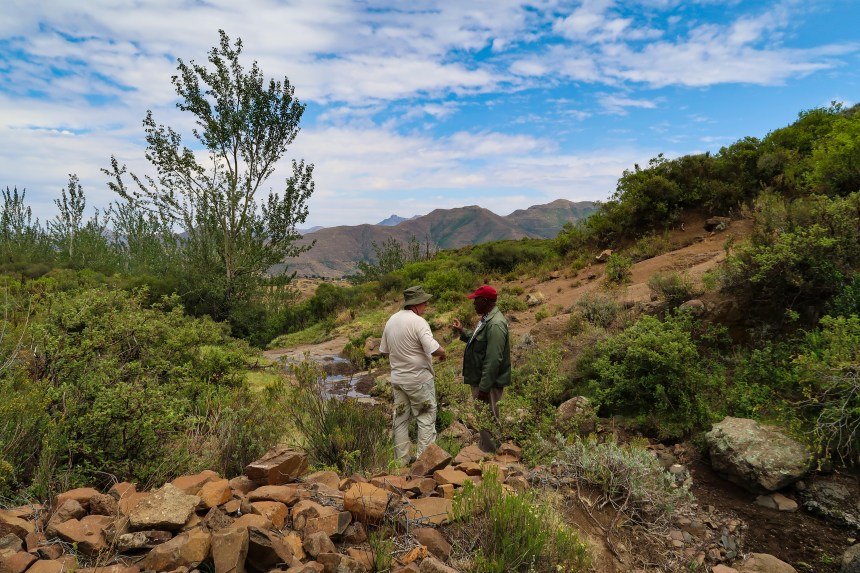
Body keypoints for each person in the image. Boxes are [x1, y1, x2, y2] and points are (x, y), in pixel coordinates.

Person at [380, 285, 446, 464]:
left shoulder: (391, 320)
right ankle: (424, 463)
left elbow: (385, 351)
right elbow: (432, 348)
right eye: (424, 302)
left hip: (398, 379)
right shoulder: (419, 322)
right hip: (419, 380)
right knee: (425, 417)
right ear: (416, 303)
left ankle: (401, 461)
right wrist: (443, 352)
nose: (426, 305)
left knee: (400, 420)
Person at [452, 284, 510, 451]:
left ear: (485, 301)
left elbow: (493, 359)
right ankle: (485, 453)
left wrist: (484, 388)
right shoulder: (487, 319)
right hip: (482, 381)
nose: (473, 304)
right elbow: (480, 343)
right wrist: (462, 331)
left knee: (488, 420)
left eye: (476, 300)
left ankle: (494, 458)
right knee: (485, 419)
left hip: (488, 384)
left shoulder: (495, 324)